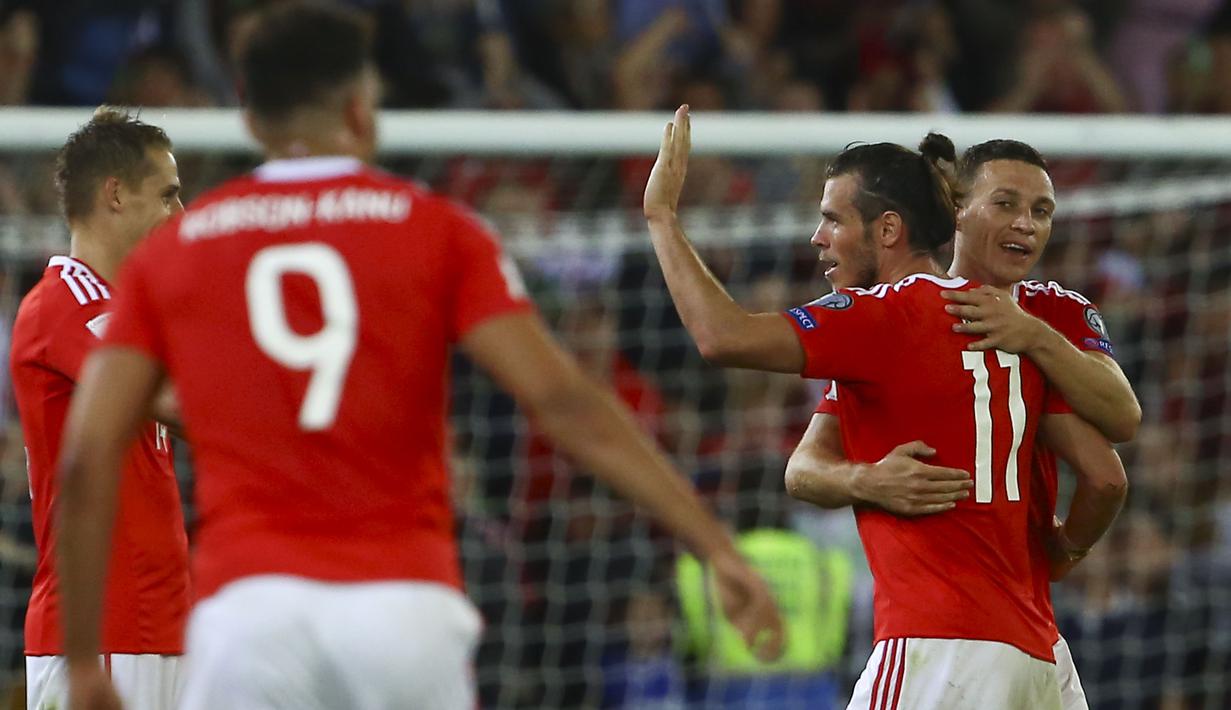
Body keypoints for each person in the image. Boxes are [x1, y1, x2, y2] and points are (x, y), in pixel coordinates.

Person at [55, 5, 783, 710]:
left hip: (251, 613)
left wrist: (83, 661)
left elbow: (87, 456)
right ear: (359, 109)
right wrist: (713, 545)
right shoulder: (437, 229)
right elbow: (565, 402)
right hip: (401, 606)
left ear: (249, 122)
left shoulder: (180, 251)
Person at [643, 105, 1070, 707]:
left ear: (888, 230)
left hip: (938, 643)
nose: (818, 238)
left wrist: (661, 216)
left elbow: (722, 336)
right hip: (1037, 654)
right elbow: (802, 470)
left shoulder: (884, 316)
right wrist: (866, 479)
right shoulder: (997, 316)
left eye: (832, 219)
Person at [783, 139, 1136, 709]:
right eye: (1005, 204)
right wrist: (867, 479)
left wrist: (1034, 335)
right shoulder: (898, 314)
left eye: (1041, 212)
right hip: (1010, 641)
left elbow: (1123, 417)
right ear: (956, 209)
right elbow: (803, 466)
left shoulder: (1055, 311)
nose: (1025, 223)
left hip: (954, 636)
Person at [9, 107, 188, 710]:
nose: (180, 216)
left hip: (155, 625)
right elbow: (177, 401)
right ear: (115, 194)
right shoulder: (66, 301)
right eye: (167, 196)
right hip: (104, 632)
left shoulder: (136, 314)